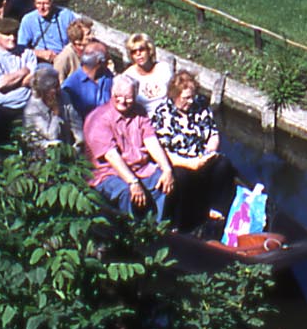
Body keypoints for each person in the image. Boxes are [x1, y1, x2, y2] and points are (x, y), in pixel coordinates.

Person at [84, 75, 174, 219]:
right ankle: (130, 231)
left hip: (139, 168)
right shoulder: (98, 119)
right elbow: (112, 157)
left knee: (163, 180)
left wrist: (166, 168)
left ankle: (158, 227)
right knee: (126, 191)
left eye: (128, 97)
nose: (122, 101)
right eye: (117, 96)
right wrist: (133, 182)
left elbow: (151, 140)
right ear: (111, 93)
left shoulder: (139, 111)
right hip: (109, 173)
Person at [149, 70, 231, 229]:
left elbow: (213, 133)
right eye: (186, 98)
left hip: (201, 156)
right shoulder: (163, 114)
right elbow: (163, 151)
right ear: (175, 96)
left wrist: (210, 151)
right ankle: (181, 223)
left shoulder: (200, 105)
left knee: (223, 165)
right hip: (180, 161)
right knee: (182, 177)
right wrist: (190, 163)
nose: (191, 101)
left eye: (192, 96)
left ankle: (216, 209)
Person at [0, 16, 36, 152]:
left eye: (14, 34)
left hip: (23, 101)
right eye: (7, 35)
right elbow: (0, 83)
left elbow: (32, 80)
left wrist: (9, 82)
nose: (12, 38)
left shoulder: (26, 52)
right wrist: (23, 72)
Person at [22, 64, 82, 153]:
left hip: (67, 147)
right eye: (55, 87)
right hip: (43, 151)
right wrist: (56, 114)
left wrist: (79, 144)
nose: (59, 89)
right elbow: (51, 136)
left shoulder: (63, 96)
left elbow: (75, 122)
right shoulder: (32, 108)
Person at [17, 0, 77, 65]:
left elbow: (77, 38)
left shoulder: (66, 15)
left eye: (45, 4)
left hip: (65, 57)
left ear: (53, 3)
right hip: (42, 60)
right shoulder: (28, 19)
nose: (41, 8)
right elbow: (20, 48)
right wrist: (39, 53)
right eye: (38, 3)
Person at [62, 41, 113, 120]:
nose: (109, 62)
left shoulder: (108, 76)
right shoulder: (70, 86)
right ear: (100, 61)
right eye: (107, 58)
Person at [124, 32, 176, 110]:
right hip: (143, 117)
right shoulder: (128, 76)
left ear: (149, 50)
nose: (138, 54)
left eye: (141, 50)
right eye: (134, 52)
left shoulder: (164, 68)